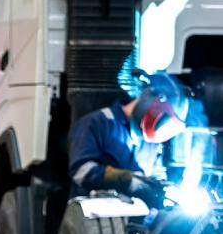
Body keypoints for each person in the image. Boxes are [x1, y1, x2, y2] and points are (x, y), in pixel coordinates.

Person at [67, 70, 190, 203]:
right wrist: (127, 180)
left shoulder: (151, 143)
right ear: (151, 98)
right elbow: (81, 171)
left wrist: (162, 190)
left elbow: (156, 175)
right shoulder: (98, 123)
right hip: (91, 219)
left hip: (133, 221)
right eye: (162, 119)